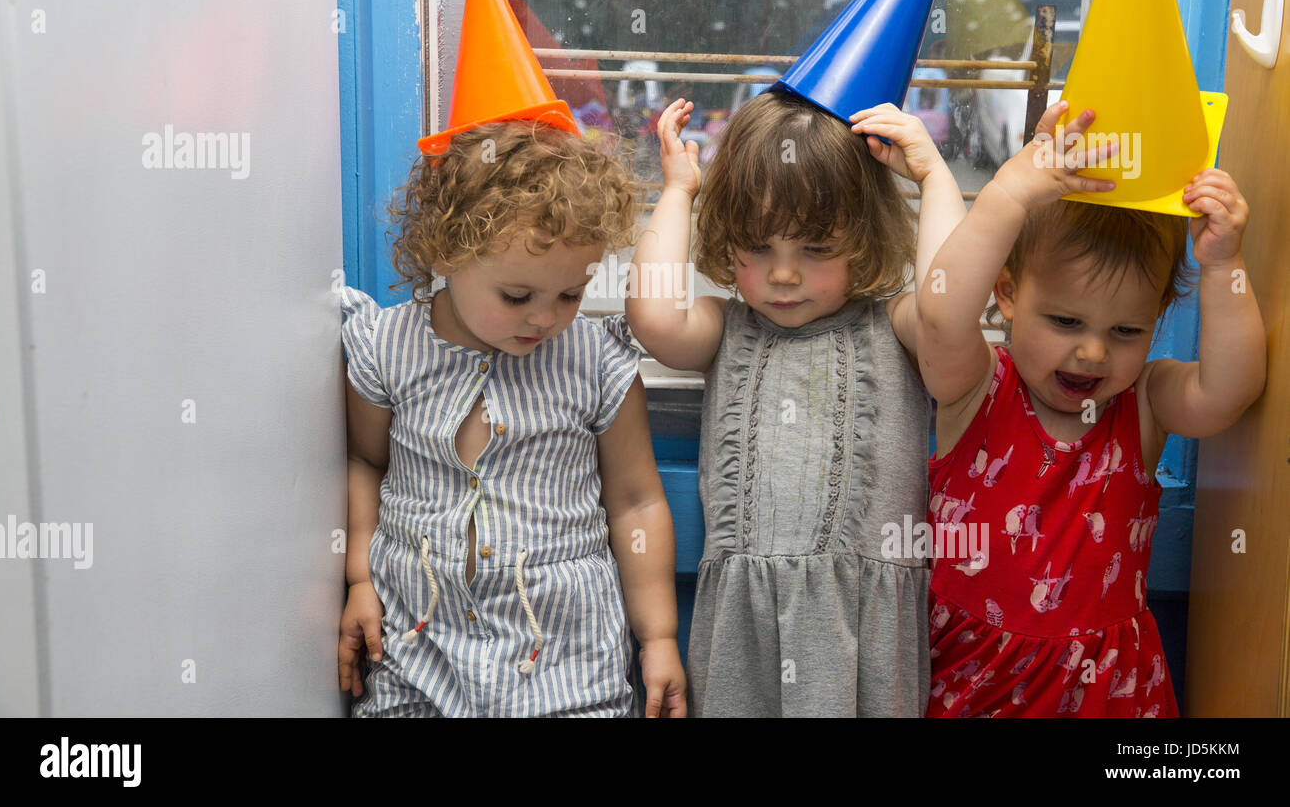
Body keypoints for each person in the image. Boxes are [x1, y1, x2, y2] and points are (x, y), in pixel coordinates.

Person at [916, 101, 1266, 716]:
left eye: (1128, 331)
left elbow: (1229, 392)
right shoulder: (974, 387)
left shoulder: (1145, 401)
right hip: (972, 680)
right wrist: (1009, 194)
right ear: (1007, 294)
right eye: (1065, 320)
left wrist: (1223, 265)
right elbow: (942, 309)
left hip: (1109, 691)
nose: (1093, 351)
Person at [626, 92, 967, 715]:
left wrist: (933, 175)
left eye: (814, 250)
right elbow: (651, 313)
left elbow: (950, 306)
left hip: (861, 643)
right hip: (742, 642)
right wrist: (678, 190)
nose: (783, 275)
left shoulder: (898, 327)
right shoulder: (725, 329)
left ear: (862, 239)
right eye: (758, 248)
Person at [337, 120, 686, 717]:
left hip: (565, 659)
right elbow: (366, 461)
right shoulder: (386, 347)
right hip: (420, 652)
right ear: (447, 251)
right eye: (518, 296)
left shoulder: (596, 361)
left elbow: (635, 502)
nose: (545, 318)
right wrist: (360, 580)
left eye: (570, 295)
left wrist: (657, 639)